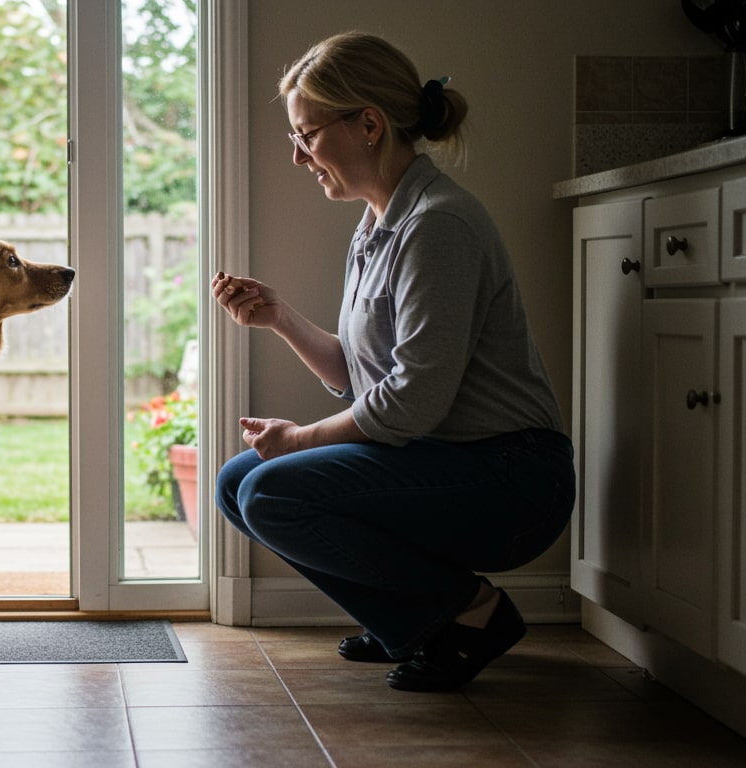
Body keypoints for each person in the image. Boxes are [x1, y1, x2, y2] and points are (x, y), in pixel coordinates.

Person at [212, 31, 575, 693]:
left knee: (270, 491)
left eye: (306, 135)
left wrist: (301, 439)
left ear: (370, 125)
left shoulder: (438, 225)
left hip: (512, 478)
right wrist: (280, 317)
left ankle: (473, 613)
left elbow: (410, 402)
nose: (298, 156)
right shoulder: (378, 225)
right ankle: (414, 620)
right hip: (441, 458)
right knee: (238, 482)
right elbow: (365, 378)